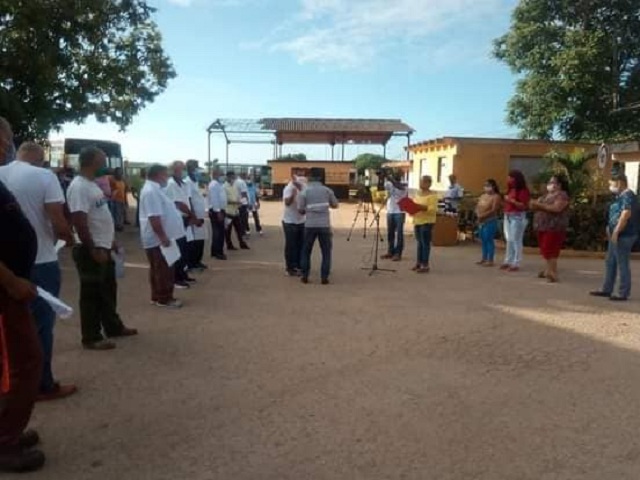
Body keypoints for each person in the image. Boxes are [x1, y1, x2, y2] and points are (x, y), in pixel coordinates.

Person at [0, 142, 77, 401]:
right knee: (40, 327)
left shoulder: (2, 174)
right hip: (42, 260)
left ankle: (12, 388)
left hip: (8, 266)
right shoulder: (44, 176)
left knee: (10, 332)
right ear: (39, 158)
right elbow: (57, 218)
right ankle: (42, 384)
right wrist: (68, 237)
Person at [0, 117, 46, 473]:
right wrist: (11, 280)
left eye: (9, 140)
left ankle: (8, 427)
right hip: (5, 289)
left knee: (21, 360)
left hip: (11, 287)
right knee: (23, 362)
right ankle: (5, 441)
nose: (6, 146)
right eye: (2, 139)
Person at [67, 146, 137, 350]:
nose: (105, 165)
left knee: (107, 290)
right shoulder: (79, 186)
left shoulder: (92, 185)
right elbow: (79, 221)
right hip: (91, 250)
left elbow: (99, 217)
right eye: (102, 161)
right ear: (92, 162)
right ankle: (91, 336)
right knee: (92, 295)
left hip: (103, 246)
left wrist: (110, 241)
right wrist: (93, 248)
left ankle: (113, 326)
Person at [139, 165, 184, 308]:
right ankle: (164, 298)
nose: (167, 177)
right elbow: (154, 217)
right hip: (158, 238)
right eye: (165, 174)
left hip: (160, 236)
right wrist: (162, 236)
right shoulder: (151, 191)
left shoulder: (155, 189)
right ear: (158, 174)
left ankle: (157, 296)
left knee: (158, 268)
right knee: (163, 269)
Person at [591, 173, 640, 301]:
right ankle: (606, 289)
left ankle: (623, 293)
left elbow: (626, 214)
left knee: (621, 263)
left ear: (619, 182)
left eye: (612, 183)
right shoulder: (620, 196)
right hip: (616, 235)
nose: (611, 187)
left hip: (624, 235)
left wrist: (617, 231)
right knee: (610, 262)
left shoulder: (628, 196)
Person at [298, 168, 338, 284]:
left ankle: (305, 276)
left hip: (309, 225)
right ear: (321, 178)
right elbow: (335, 205)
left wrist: (309, 210)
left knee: (306, 251)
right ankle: (324, 277)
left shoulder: (304, 192)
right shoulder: (327, 191)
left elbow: (300, 210)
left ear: (310, 177)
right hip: (324, 225)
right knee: (326, 252)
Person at [530, 174, 571, 283]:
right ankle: (548, 270)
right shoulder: (546, 196)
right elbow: (533, 205)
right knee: (545, 249)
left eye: (553, 182)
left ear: (560, 185)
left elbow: (556, 208)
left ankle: (553, 272)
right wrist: (534, 204)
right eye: (549, 182)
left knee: (550, 249)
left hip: (554, 227)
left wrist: (539, 205)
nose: (550, 185)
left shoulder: (562, 196)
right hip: (543, 226)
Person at [165, 161, 198, 288]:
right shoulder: (171, 184)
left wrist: (191, 214)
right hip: (177, 219)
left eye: (183, 169)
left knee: (186, 248)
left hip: (186, 218)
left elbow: (188, 201)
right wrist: (192, 215)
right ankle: (176, 278)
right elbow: (178, 204)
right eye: (181, 169)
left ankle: (183, 274)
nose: (183, 172)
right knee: (179, 249)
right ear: (174, 171)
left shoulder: (183, 184)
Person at [500, 170, 531, 272]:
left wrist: (510, 200)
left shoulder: (523, 190)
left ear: (516, 179)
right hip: (508, 215)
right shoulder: (511, 189)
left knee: (516, 240)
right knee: (509, 239)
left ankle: (516, 262)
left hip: (517, 217)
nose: (508, 179)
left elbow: (523, 205)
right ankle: (508, 260)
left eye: (510, 177)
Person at [411, 175, 438, 273]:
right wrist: (411, 208)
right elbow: (414, 204)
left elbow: (432, 209)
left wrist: (419, 207)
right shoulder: (418, 194)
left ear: (429, 183)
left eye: (423, 182)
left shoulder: (433, 195)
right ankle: (418, 263)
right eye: (420, 182)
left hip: (427, 222)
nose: (420, 184)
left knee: (425, 243)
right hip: (417, 221)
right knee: (419, 243)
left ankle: (425, 265)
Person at [184, 160, 207, 271]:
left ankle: (198, 261)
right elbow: (188, 200)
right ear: (190, 169)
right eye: (195, 167)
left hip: (200, 215)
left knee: (200, 239)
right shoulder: (187, 182)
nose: (198, 169)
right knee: (193, 241)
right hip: (194, 217)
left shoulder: (195, 182)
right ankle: (191, 264)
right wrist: (193, 217)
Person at [381, 172, 408, 261]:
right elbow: (381, 188)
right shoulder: (389, 183)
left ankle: (398, 253)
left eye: (397, 174)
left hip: (400, 211)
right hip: (390, 210)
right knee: (390, 233)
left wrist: (390, 178)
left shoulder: (404, 183)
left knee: (399, 233)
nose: (396, 176)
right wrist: (381, 178)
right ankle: (390, 251)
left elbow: (399, 187)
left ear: (400, 176)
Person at [475, 179, 502, 267]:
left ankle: (490, 260)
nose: (486, 187)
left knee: (489, 240)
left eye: (488, 185)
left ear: (493, 186)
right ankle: (484, 258)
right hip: (481, 221)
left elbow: (494, 210)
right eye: (485, 185)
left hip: (490, 221)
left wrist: (483, 215)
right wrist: (478, 214)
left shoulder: (496, 197)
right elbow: (477, 206)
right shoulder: (483, 196)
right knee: (483, 240)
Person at [282, 174, 305, 276]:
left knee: (301, 245)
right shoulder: (288, 188)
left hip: (301, 221)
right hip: (289, 222)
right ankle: (290, 267)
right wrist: (293, 194)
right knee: (291, 245)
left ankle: (299, 266)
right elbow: (287, 203)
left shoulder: (304, 187)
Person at [224, 171, 249, 250]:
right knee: (228, 230)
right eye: (231, 177)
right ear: (228, 177)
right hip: (228, 212)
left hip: (235, 211)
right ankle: (229, 245)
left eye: (233, 178)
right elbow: (224, 200)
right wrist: (235, 202)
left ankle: (242, 243)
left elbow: (238, 196)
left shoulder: (234, 186)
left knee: (239, 228)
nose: (233, 179)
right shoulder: (224, 187)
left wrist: (240, 202)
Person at [208, 168, 228, 260]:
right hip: (217, 211)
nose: (223, 176)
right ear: (215, 174)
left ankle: (215, 251)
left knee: (219, 232)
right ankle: (218, 252)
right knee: (218, 233)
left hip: (220, 210)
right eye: (221, 174)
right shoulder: (213, 185)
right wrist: (218, 211)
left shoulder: (219, 184)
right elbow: (214, 199)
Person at [109, 167, 128, 231]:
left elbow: (125, 190)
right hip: (115, 200)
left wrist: (125, 200)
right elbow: (110, 190)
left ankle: (119, 224)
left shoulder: (122, 181)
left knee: (121, 213)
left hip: (121, 199)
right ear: (116, 173)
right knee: (117, 213)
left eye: (121, 172)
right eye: (119, 172)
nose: (120, 173)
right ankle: (117, 226)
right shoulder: (112, 180)